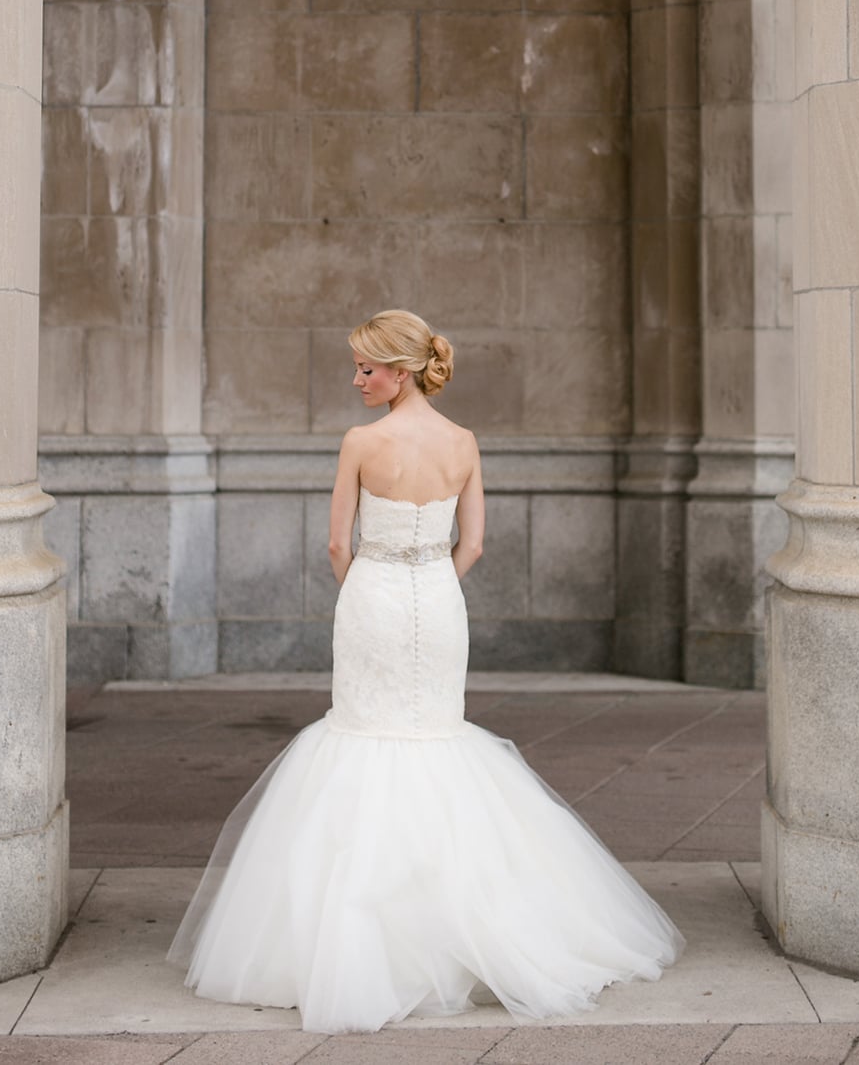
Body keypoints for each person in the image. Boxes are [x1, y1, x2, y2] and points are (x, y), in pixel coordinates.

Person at [166, 309, 685, 1033]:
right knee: (437, 734)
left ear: (401, 371)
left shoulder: (361, 442)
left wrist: (366, 590)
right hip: (440, 600)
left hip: (373, 595)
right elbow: (472, 543)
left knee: (365, 731)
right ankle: (464, 931)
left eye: (366, 368)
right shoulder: (463, 442)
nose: (356, 380)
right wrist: (432, 583)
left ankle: (373, 937)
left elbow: (335, 542)